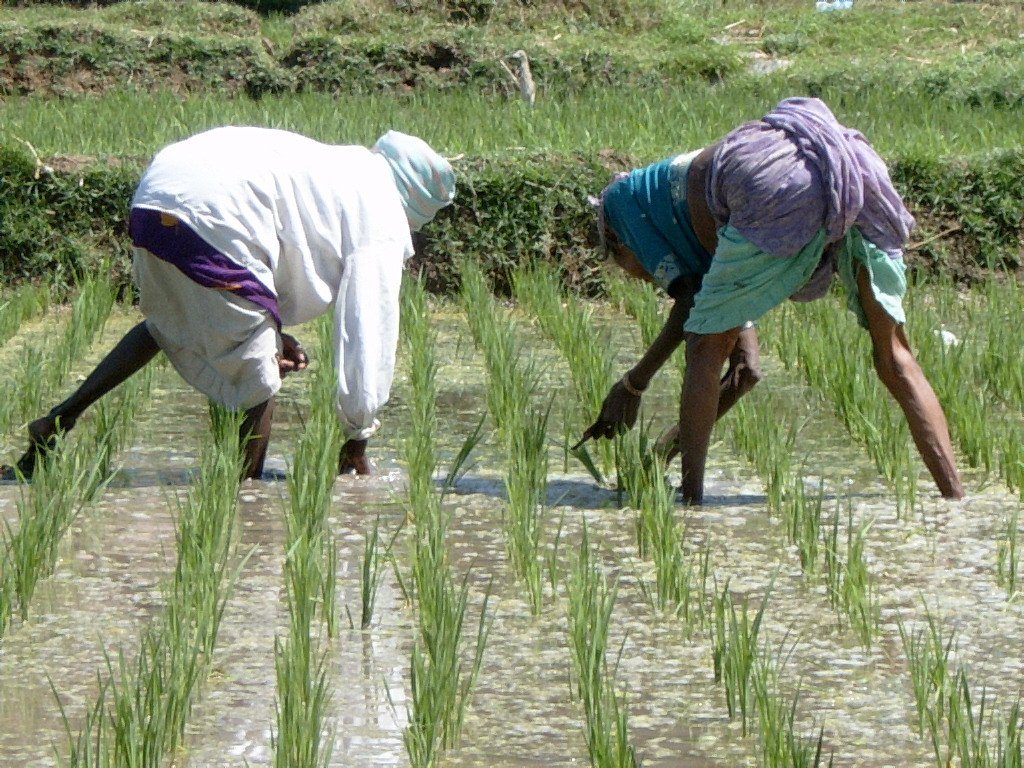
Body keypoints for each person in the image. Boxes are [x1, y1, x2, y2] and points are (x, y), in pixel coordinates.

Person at [2, 126, 455, 481]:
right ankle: (244, 494)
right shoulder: (380, 210)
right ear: (415, 206)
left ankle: (57, 422)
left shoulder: (342, 170)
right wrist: (358, 435)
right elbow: (367, 331)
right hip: (215, 212)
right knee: (260, 376)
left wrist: (271, 328)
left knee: (169, 323)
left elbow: (277, 239)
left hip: (156, 196)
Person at [580, 97, 965, 505]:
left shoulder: (621, 204)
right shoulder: (701, 233)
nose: (640, 278)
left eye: (625, 267)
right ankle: (956, 498)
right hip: (856, 174)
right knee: (894, 356)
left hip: (775, 182)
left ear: (617, 244)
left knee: (704, 347)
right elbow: (745, 367)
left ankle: (690, 504)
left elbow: (691, 303)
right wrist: (656, 459)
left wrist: (633, 384)